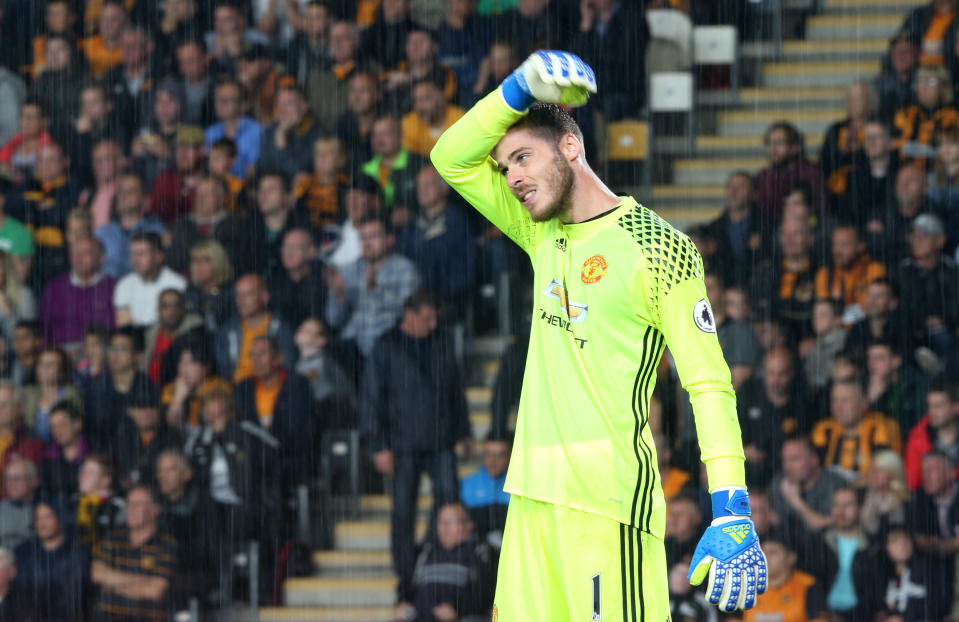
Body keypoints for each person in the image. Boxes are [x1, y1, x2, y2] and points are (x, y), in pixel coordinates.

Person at [432, 50, 765, 618]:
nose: (510, 177)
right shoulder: (540, 231)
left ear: (570, 147)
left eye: (521, 157)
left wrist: (731, 504)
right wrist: (516, 88)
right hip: (532, 496)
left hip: (609, 502)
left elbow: (709, 382)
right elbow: (449, 158)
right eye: (504, 164)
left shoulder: (660, 248)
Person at [360, 290, 471, 594]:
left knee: (449, 501)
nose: (433, 324)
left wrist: (465, 431)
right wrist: (379, 445)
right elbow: (371, 399)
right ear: (409, 314)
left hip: (440, 441)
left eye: (435, 318)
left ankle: (434, 556)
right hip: (401, 445)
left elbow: (454, 389)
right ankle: (407, 575)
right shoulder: (385, 346)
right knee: (402, 513)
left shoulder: (440, 341)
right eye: (427, 318)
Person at [325, 216, 421, 356]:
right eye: (363, 237)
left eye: (373, 237)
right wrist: (339, 294)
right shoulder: (349, 271)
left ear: (389, 240)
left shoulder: (405, 269)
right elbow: (334, 321)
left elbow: (408, 312)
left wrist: (376, 290)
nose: (366, 243)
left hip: (388, 343)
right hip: (352, 343)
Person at [234, 335, 316, 490]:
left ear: (278, 358)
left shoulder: (297, 385)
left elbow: (300, 430)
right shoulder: (243, 389)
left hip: (289, 458)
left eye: (263, 354)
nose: (257, 360)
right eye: (253, 355)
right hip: (254, 461)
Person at [394, 502, 497, 622]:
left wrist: (457, 608)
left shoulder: (481, 551)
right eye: (440, 522)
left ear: (468, 525)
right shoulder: (427, 551)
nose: (443, 527)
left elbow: (486, 591)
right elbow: (407, 583)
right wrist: (403, 601)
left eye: (449, 522)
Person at [92, 485, 178, 621]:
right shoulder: (112, 539)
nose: (131, 510)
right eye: (129, 504)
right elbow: (97, 575)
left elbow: (155, 591)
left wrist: (111, 585)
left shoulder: (165, 544)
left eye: (138, 504)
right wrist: (141, 580)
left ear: (155, 510)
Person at [13, 496, 91, 621]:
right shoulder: (23, 551)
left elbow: (75, 598)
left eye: (48, 517)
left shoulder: (78, 552)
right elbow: (19, 595)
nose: (41, 523)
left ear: (60, 518)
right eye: (38, 518)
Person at [811, 378, 901, 482]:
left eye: (845, 400)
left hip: (870, 491)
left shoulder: (881, 427)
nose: (838, 407)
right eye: (834, 400)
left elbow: (887, 473)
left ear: (863, 403)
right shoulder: (823, 429)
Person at [215, 273, 296, 382]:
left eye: (248, 294)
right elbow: (222, 368)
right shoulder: (227, 330)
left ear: (264, 297)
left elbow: (287, 365)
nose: (241, 300)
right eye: (238, 295)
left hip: (270, 389)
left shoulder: (282, 329)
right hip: (234, 389)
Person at [39, 236, 115, 347]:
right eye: (74, 253)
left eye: (85, 253)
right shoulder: (54, 287)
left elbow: (114, 331)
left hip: (100, 354)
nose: (78, 259)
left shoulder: (113, 288)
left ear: (101, 258)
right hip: (60, 353)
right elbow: (44, 328)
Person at [94, 171, 168, 280]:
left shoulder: (158, 231)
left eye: (131, 192)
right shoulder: (101, 234)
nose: (123, 196)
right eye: (120, 191)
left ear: (145, 199)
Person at [769, 436, 847, 536]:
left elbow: (825, 526)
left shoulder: (835, 484)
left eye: (794, 459)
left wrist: (796, 501)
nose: (787, 466)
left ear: (814, 460)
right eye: (785, 460)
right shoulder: (778, 483)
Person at [743, 532, 827, 622]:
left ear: (791, 557)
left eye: (773, 552)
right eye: (762, 552)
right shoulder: (746, 586)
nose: (765, 557)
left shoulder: (808, 585)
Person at [113, 232, 187, 328]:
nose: (135, 259)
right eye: (133, 254)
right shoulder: (124, 284)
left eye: (142, 254)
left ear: (159, 256)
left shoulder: (178, 284)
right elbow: (124, 325)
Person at [205, 77, 262, 179]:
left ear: (242, 104)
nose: (220, 104)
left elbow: (255, 168)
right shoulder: (210, 133)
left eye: (227, 100)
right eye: (218, 99)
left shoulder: (256, 132)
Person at [904, 382, 959, 489]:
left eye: (938, 406)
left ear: (956, 407)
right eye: (930, 406)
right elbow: (913, 482)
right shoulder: (918, 437)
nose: (932, 412)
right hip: (930, 502)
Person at [21, 347, 81, 442]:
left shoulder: (71, 395)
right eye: (40, 363)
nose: (44, 368)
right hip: (32, 448)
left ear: (62, 370)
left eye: (50, 365)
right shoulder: (26, 394)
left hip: (61, 450)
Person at [461, 431, 512, 544]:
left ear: (510, 456)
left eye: (499, 455)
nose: (493, 461)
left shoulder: (518, 486)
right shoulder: (467, 484)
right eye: (488, 454)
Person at [70, 454, 125, 551]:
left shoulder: (118, 506)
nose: (83, 475)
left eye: (90, 472)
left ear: (105, 480)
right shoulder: (72, 502)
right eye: (82, 471)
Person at [183, 239, 235, 333]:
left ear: (218, 262)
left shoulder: (232, 293)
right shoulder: (190, 291)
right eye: (194, 260)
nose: (197, 265)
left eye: (204, 260)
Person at [40, 401, 89, 497]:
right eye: (53, 426)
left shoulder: (93, 452)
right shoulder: (48, 455)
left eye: (62, 424)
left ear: (78, 424)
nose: (57, 430)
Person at [0, 458, 39, 550]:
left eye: (17, 478)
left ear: (33, 480)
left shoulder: (47, 507)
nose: (11, 483)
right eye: (7, 479)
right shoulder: (2, 507)